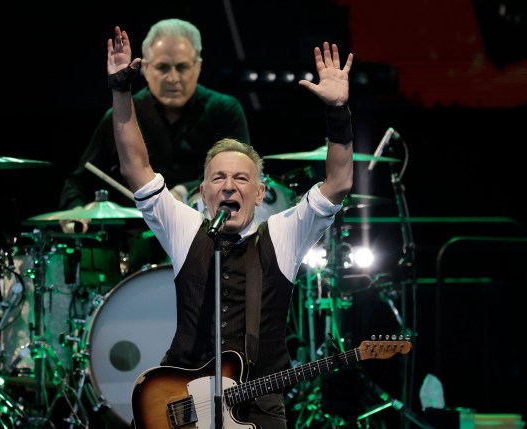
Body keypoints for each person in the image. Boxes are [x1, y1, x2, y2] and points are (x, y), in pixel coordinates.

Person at [107, 22, 354, 429]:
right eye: (219, 179)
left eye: (241, 179)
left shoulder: (283, 234)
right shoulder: (188, 230)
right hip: (180, 402)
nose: (229, 186)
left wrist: (338, 112)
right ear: (203, 193)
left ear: (259, 193)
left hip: (257, 404)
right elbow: (137, 167)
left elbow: (339, 184)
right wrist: (120, 91)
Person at [58, 18, 250, 234]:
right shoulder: (122, 115)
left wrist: (183, 192)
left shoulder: (225, 110)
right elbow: (78, 181)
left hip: (206, 235)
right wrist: (75, 210)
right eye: (162, 67)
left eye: (182, 67)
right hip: (135, 241)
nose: (173, 78)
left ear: (198, 67)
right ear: (145, 68)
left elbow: (240, 175)